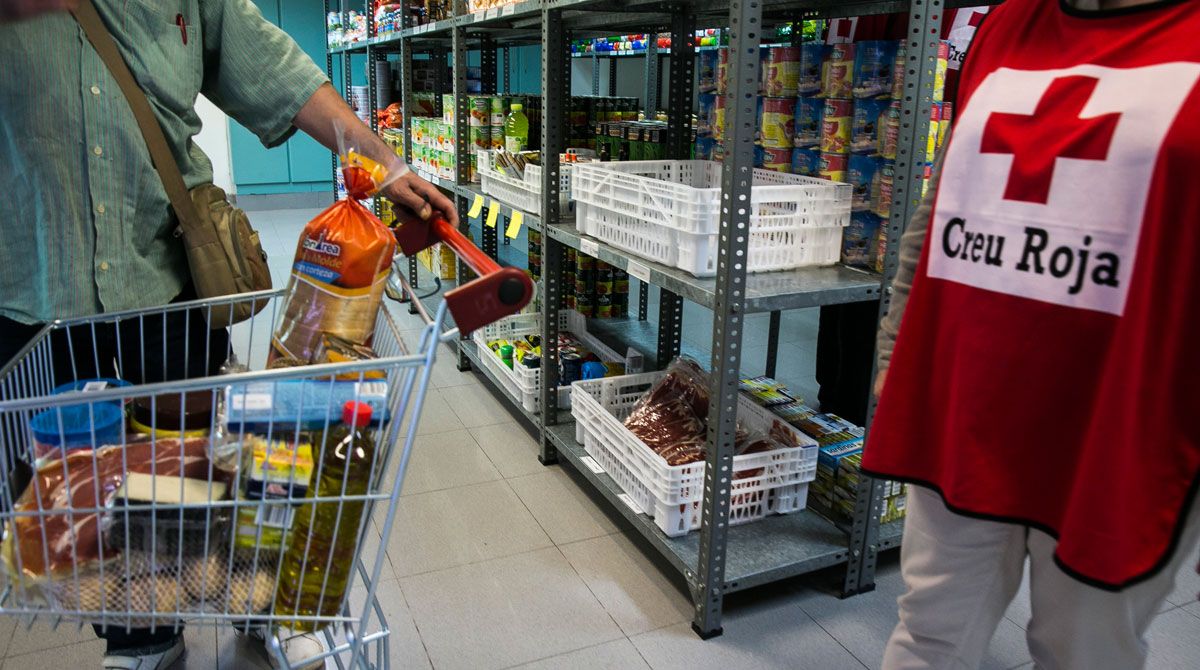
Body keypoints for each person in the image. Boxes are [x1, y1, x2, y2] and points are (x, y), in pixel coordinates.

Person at [0, 0, 456, 668]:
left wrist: (383, 164)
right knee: (73, 486)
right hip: (30, 287)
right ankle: (140, 637)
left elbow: (277, 71)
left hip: (167, 280)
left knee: (198, 470)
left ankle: (251, 596)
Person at [866, 0, 1200, 668]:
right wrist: (895, 351)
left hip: (1123, 422)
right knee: (929, 629)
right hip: (965, 397)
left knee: (1084, 649)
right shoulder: (1005, 24)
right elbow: (941, 206)